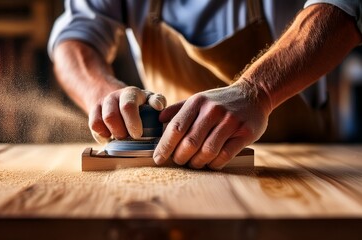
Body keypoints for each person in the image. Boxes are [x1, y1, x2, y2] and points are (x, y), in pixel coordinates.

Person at [48, 0, 362, 170]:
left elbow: (342, 9)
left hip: (298, 166)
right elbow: (75, 37)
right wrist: (102, 94)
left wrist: (258, 91)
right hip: (175, 170)